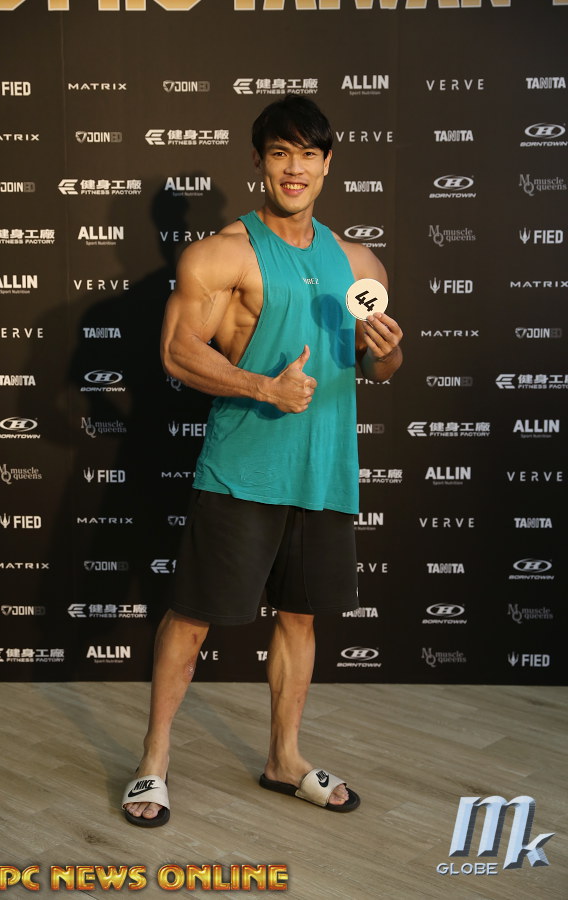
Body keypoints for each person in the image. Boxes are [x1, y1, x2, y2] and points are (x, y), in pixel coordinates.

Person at [122, 94, 403, 827]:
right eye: (280, 153)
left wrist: (387, 351)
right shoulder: (222, 254)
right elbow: (177, 351)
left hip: (324, 470)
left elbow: (377, 369)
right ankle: (153, 761)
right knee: (192, 619)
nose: (294, 168)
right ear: (259, 162)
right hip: (243, 468)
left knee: (300, 619)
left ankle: (284, 758)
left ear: (327, 163)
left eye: (308, 154)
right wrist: (262, 387)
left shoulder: (360, 262)